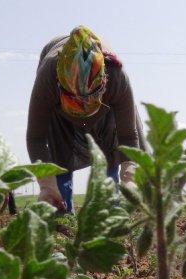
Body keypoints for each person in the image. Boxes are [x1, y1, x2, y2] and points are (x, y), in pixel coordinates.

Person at [26, 26, 146, 214]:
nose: (82, 106)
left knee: (111, 155)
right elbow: (36, 138)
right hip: (60, 115)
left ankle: (110, 217)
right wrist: (46, 183)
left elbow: (129, 136)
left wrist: (130, 179)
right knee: (58, 171)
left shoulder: (116, 76)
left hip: (105, 110)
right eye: (76, 101)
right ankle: (62, 223)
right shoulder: (48, 77)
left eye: (88, 100)